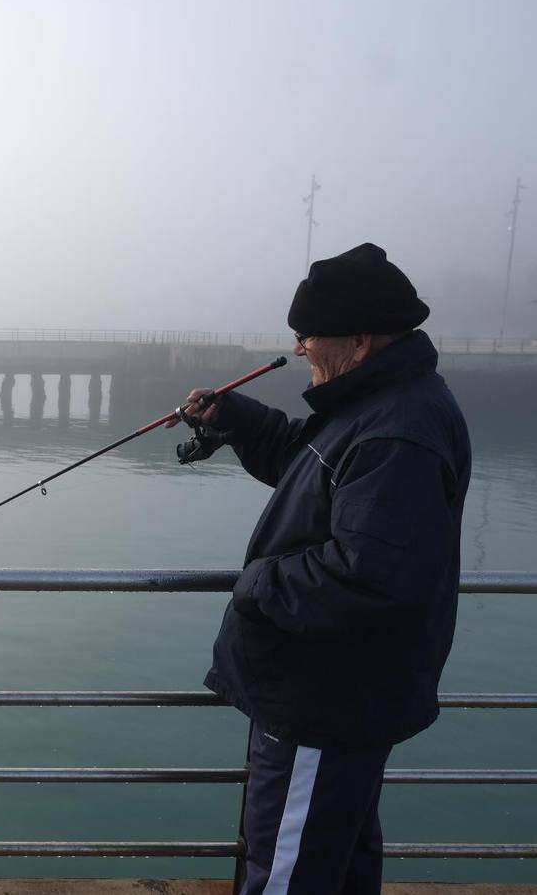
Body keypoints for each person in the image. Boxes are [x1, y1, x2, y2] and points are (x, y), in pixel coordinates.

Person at [169, 243, 472, 894]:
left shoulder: (398, 432)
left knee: (286, 872)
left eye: (308, 335)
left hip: (324, 702)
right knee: (337, 863)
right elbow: (314, 467)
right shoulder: (379, 405)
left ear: (359, 340)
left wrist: (254, 582)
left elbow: (367, 577)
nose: (301, 347)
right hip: (344, 697)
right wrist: (239, 420)